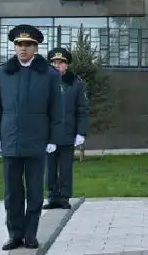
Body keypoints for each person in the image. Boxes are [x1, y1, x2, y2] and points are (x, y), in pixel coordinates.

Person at [0, 24, 63, 250]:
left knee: (35, 192)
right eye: (19, 44)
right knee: (12, 193)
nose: (23, 48)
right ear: (14, 46)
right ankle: (15, 235)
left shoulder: (49, 74)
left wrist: (53, 139)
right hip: (10, 140)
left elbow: (56, 110)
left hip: (37, 140)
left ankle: (30, 235)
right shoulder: (1, 73)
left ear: (36, 48)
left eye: (28, 44)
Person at [43, 47, 90, 210]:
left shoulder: (76, 83)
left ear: (67, 65)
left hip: (67, 132)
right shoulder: (43, 82)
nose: (57, 66)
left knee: (65, 169)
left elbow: (83, 109)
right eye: (54, 63)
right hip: (49, 135)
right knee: (49, 169)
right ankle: (52, 197)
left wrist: (81, 132)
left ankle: (64, 197)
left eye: (61, 63)